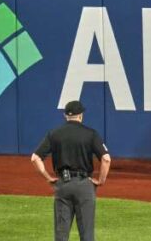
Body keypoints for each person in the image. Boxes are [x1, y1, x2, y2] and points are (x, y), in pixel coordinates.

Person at [30, 100, 111, 241]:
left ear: (65, 115)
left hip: (63, 185)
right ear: (81, 116)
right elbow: (106, 159)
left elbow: (34, 158)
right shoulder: (91, 134)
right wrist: (101, 181)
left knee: (61, 236)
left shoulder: (54, 134)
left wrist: (48, 177)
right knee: (87, 236)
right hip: (84, 184)